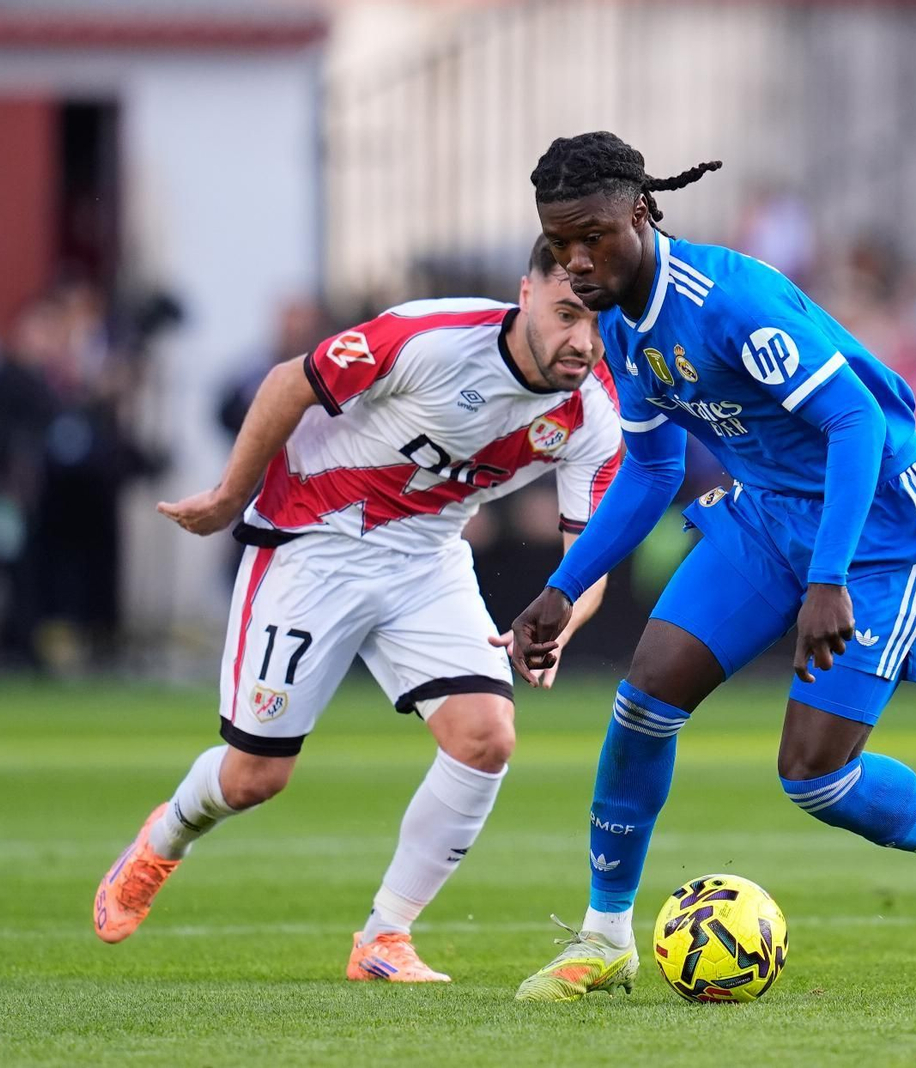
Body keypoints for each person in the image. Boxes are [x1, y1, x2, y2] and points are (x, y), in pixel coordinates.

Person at [506, 132, 916, 1001]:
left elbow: (854, 423)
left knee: (815, 776)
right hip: (768, 515)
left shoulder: (729, 299)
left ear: (641, 210)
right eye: (561, 246)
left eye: (593, 236)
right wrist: (563, 586)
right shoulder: (624, 330)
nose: (579, 262)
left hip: (886, 526)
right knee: (646, 693)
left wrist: (830, 579)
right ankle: (603, 938)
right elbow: (655, 471)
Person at [93, 241, 622, 984]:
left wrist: (564, 616)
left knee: (486, 737)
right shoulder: (431, 338)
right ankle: (166, 836)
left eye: (600, 320)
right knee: (255, 779)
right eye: (567, 313)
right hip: (314, 543)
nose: (584, 340)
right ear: (525, 294)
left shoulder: (594, 409)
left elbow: (589, 551)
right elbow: (289, 383)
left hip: (426, 560)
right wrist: (226, 497)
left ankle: (385, 936)